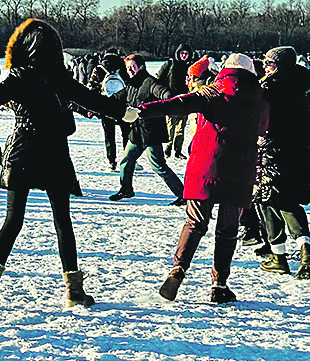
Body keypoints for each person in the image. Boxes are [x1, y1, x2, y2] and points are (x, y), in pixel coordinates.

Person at [0, 19, 126, 309]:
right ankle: (73, 291)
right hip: (54, 152)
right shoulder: (60, 77)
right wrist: (124, 111)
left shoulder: (18, 77)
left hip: (22, 152)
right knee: (62, 223)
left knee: (12, 220)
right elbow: (93, 100)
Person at [138, 53, 268, 304]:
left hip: (205, 166)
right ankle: (219, 284)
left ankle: (178, 269)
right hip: (240, 171)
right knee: (228, 230)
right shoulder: (260, 100)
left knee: (195, 223)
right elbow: (262, 128)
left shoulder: (211, 92)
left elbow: (177, 104)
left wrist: (143, 111)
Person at [253, 46, 310, 279]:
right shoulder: (302, 83)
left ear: (278, 65)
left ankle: (279, 257)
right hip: (300, 150)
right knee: (291, 200)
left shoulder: (269, 86)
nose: (265, 67)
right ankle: (304, 247)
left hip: (274, 148)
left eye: (268, 63)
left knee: (267, 199)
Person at [107, 53, 186, 203]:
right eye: (128, 68)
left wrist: (160, 105)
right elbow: (117, 98)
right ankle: (126, 190)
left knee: (158, 166)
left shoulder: (150, 83)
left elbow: (166, 94)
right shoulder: (131, 84)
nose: (130, 71)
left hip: (151, 134)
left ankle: (183, 195)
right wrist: (101, 104)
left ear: (142, 67)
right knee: (126, 161)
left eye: (133, 68)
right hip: (136, 133)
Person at [159, 44, 195, 157]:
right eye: (182, 53)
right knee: (170, 125)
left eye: (186, 54)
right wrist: (164, 94)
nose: (184, 56)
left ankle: (178, 150)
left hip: (185, 100)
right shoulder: (170, 64)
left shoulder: (191, 67)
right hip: (171, 99)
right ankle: (168, 146)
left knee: (181, 126)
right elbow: (159, 79)